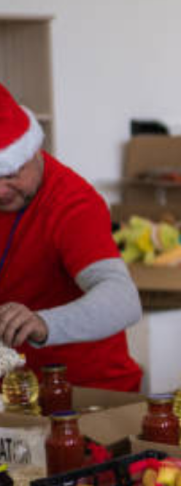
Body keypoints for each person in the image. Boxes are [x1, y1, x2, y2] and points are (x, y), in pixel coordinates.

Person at [0, 81, 142, 391]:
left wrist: (44, 323)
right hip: (17, 395)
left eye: (11, 175)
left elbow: (124, 299)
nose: (1, 191)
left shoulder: (72, 202)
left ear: (34, 149)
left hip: (87, 393)